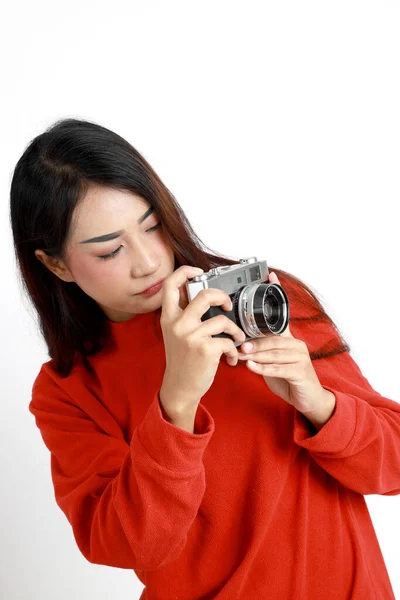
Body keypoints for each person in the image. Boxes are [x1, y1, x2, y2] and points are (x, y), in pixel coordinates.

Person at [10, 118, 399, 600]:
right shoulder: (68, 390)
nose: (148, 261)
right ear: (56, 264)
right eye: (110, 250)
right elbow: (131, 544)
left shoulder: (261, 300)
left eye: (151, 225)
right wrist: (177, 402)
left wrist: (321, 406)